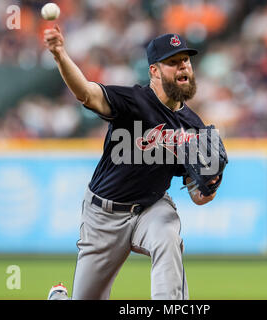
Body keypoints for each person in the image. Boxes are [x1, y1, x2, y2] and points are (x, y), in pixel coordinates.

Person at [44, 25, 220, 300]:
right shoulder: (133, 101)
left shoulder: (193, 127)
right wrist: (60, 55)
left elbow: (197, 195)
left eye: (185, 60)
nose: (183, 67)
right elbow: (86, 93)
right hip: (103, 216)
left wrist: (209, 186)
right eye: (173, 62)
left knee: (168, 236)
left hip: (151, 209)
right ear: (154, 71)